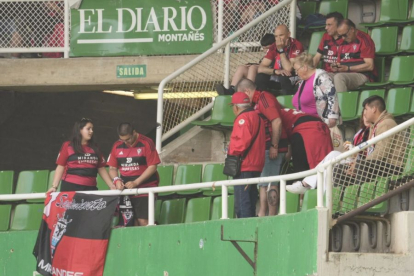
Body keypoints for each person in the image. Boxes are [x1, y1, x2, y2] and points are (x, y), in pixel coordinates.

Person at [237, 78, 289, 217]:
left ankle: (271, 216)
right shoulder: (257, 102)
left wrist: (274, 146)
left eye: (243, 96)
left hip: (272, 147)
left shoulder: (264, 98)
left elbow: (276, 121)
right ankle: (263, 213)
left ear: (247, 91)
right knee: (263, 183)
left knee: (271, 182)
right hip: (265, 147)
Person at [287, 112, 370, 194]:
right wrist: (352, 150)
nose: (365, 116)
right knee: (332, 156)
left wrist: (355, 153)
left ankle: (304, 184)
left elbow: (372, 153)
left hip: (364, 164)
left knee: (330, 163)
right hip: (355, 160)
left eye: (367, 110)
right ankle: (308, 186)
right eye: (364, 113)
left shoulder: (375, 129)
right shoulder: (360, 133)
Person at [333, 96, 405, 187]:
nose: (364, 112)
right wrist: (354, 163)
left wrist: (358, 164)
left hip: (393, 166)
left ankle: (363, 197)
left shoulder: (386, 123)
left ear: (374, 109)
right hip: (376, 165)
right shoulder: (374, 126)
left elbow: (380, 153)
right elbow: (369, 152)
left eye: (366, 109)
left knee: (362, 166)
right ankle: (341, 199)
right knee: (339, 169)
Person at [107, 122, 161, 227]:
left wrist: (136, 182)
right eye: (122, 140)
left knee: (144, 222)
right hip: (126, 189)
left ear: (134, 133)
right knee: (130, 222)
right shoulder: (117, 145)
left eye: (128, 139)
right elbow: (112, 168)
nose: (125, 142)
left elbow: (153, 167)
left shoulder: (147, 142)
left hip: (146, 187)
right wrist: (117, 180)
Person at [47, 118, 115, 193]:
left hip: (90, 188)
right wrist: (54, 186)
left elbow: (101, 168)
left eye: (92, 129)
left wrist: (111, 186)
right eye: (88, 129)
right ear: (80, 130)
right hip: (70, 187)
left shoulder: (95, 147)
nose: (91, 131)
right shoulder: (67, 145)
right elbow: (60, 167)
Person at [227, 92, 265, 218]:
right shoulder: (257, 116)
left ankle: (245, 234)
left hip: (245, 165)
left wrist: (230, 152)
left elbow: (240, 144)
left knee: (242, 205)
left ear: (236, 107)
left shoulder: (243, 119)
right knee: (251, 200)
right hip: (256, 165)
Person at [292, 52, 341, 128]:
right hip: (304, 122)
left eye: (297, 70)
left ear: (304, 67)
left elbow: (332, 96)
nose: (296, 73)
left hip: (318, 124)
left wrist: (332, 117)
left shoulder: (322, 78)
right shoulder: (303, 81)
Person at [256, 24, 304, 95]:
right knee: (260, 77)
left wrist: (281, 50)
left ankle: (288, 102)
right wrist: (275, 71)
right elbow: (260, 68)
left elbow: (289, 69)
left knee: (284, 77)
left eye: (281, 35)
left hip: (294, 77)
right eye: (276, 36)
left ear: (288, 34)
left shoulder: (296, 45)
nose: (278, 39)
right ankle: (263, 100)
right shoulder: (273, 46)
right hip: (278, 76)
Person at [332, 19, 376, 92]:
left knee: (339, 78)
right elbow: (339, 62)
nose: (343, 38)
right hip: (344, 73)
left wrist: (348, 68)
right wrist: (335, 66)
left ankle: (342, 103)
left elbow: (370, 65)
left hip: (362, 75)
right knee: (322, 76)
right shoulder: (342, 41)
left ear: (352, 29)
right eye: (340, 36)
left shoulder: (364, 39)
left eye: (345, 35)